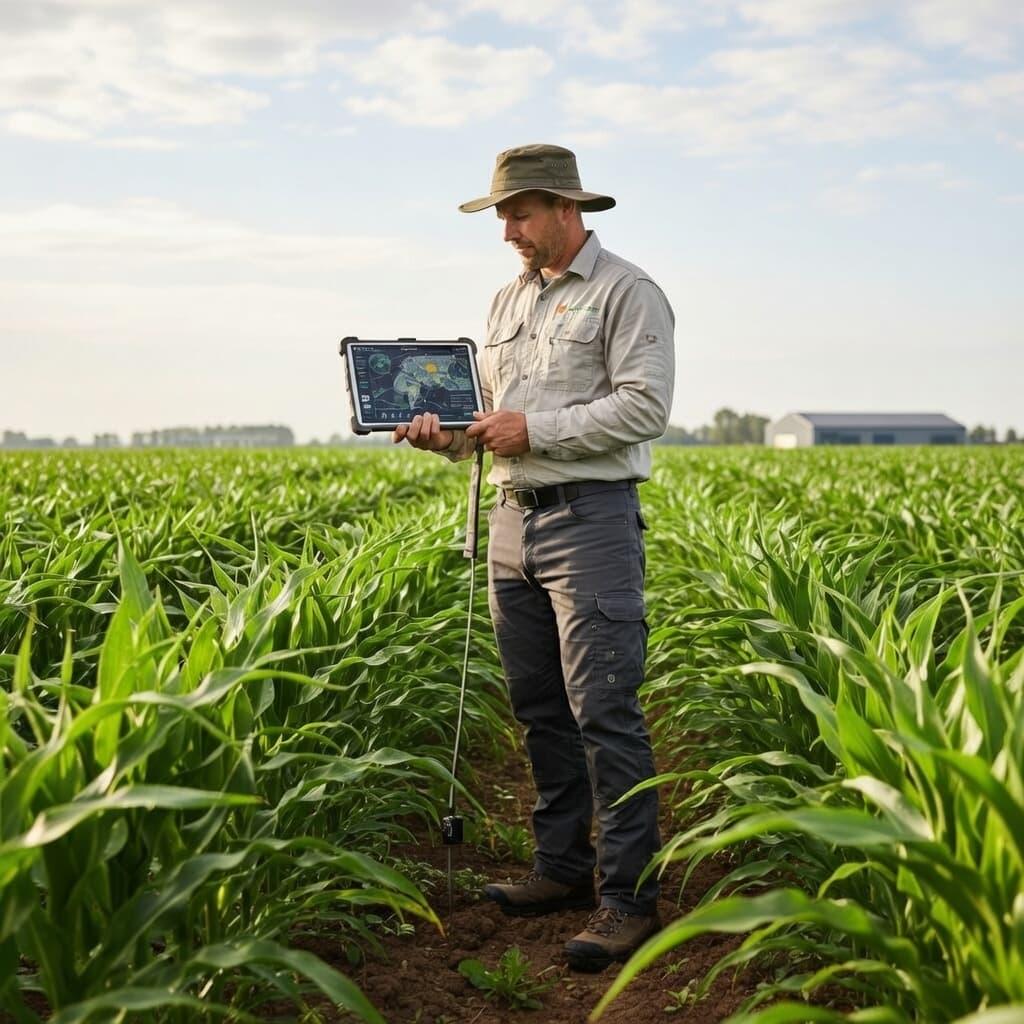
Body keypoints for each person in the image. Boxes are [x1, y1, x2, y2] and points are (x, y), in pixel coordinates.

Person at [392, 143, 675, 971]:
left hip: (590, 522)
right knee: (538, 709)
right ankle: (562, 869)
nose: (507, 231)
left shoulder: (628, 291)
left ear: (565, 208)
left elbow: (646, 406)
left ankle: (629, 900)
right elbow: (494, 424)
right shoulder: (507, 299)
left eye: (517, 214)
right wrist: (445, 439)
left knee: (604, 712)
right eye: (501, 216)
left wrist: (535, 429)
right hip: (510, 519)